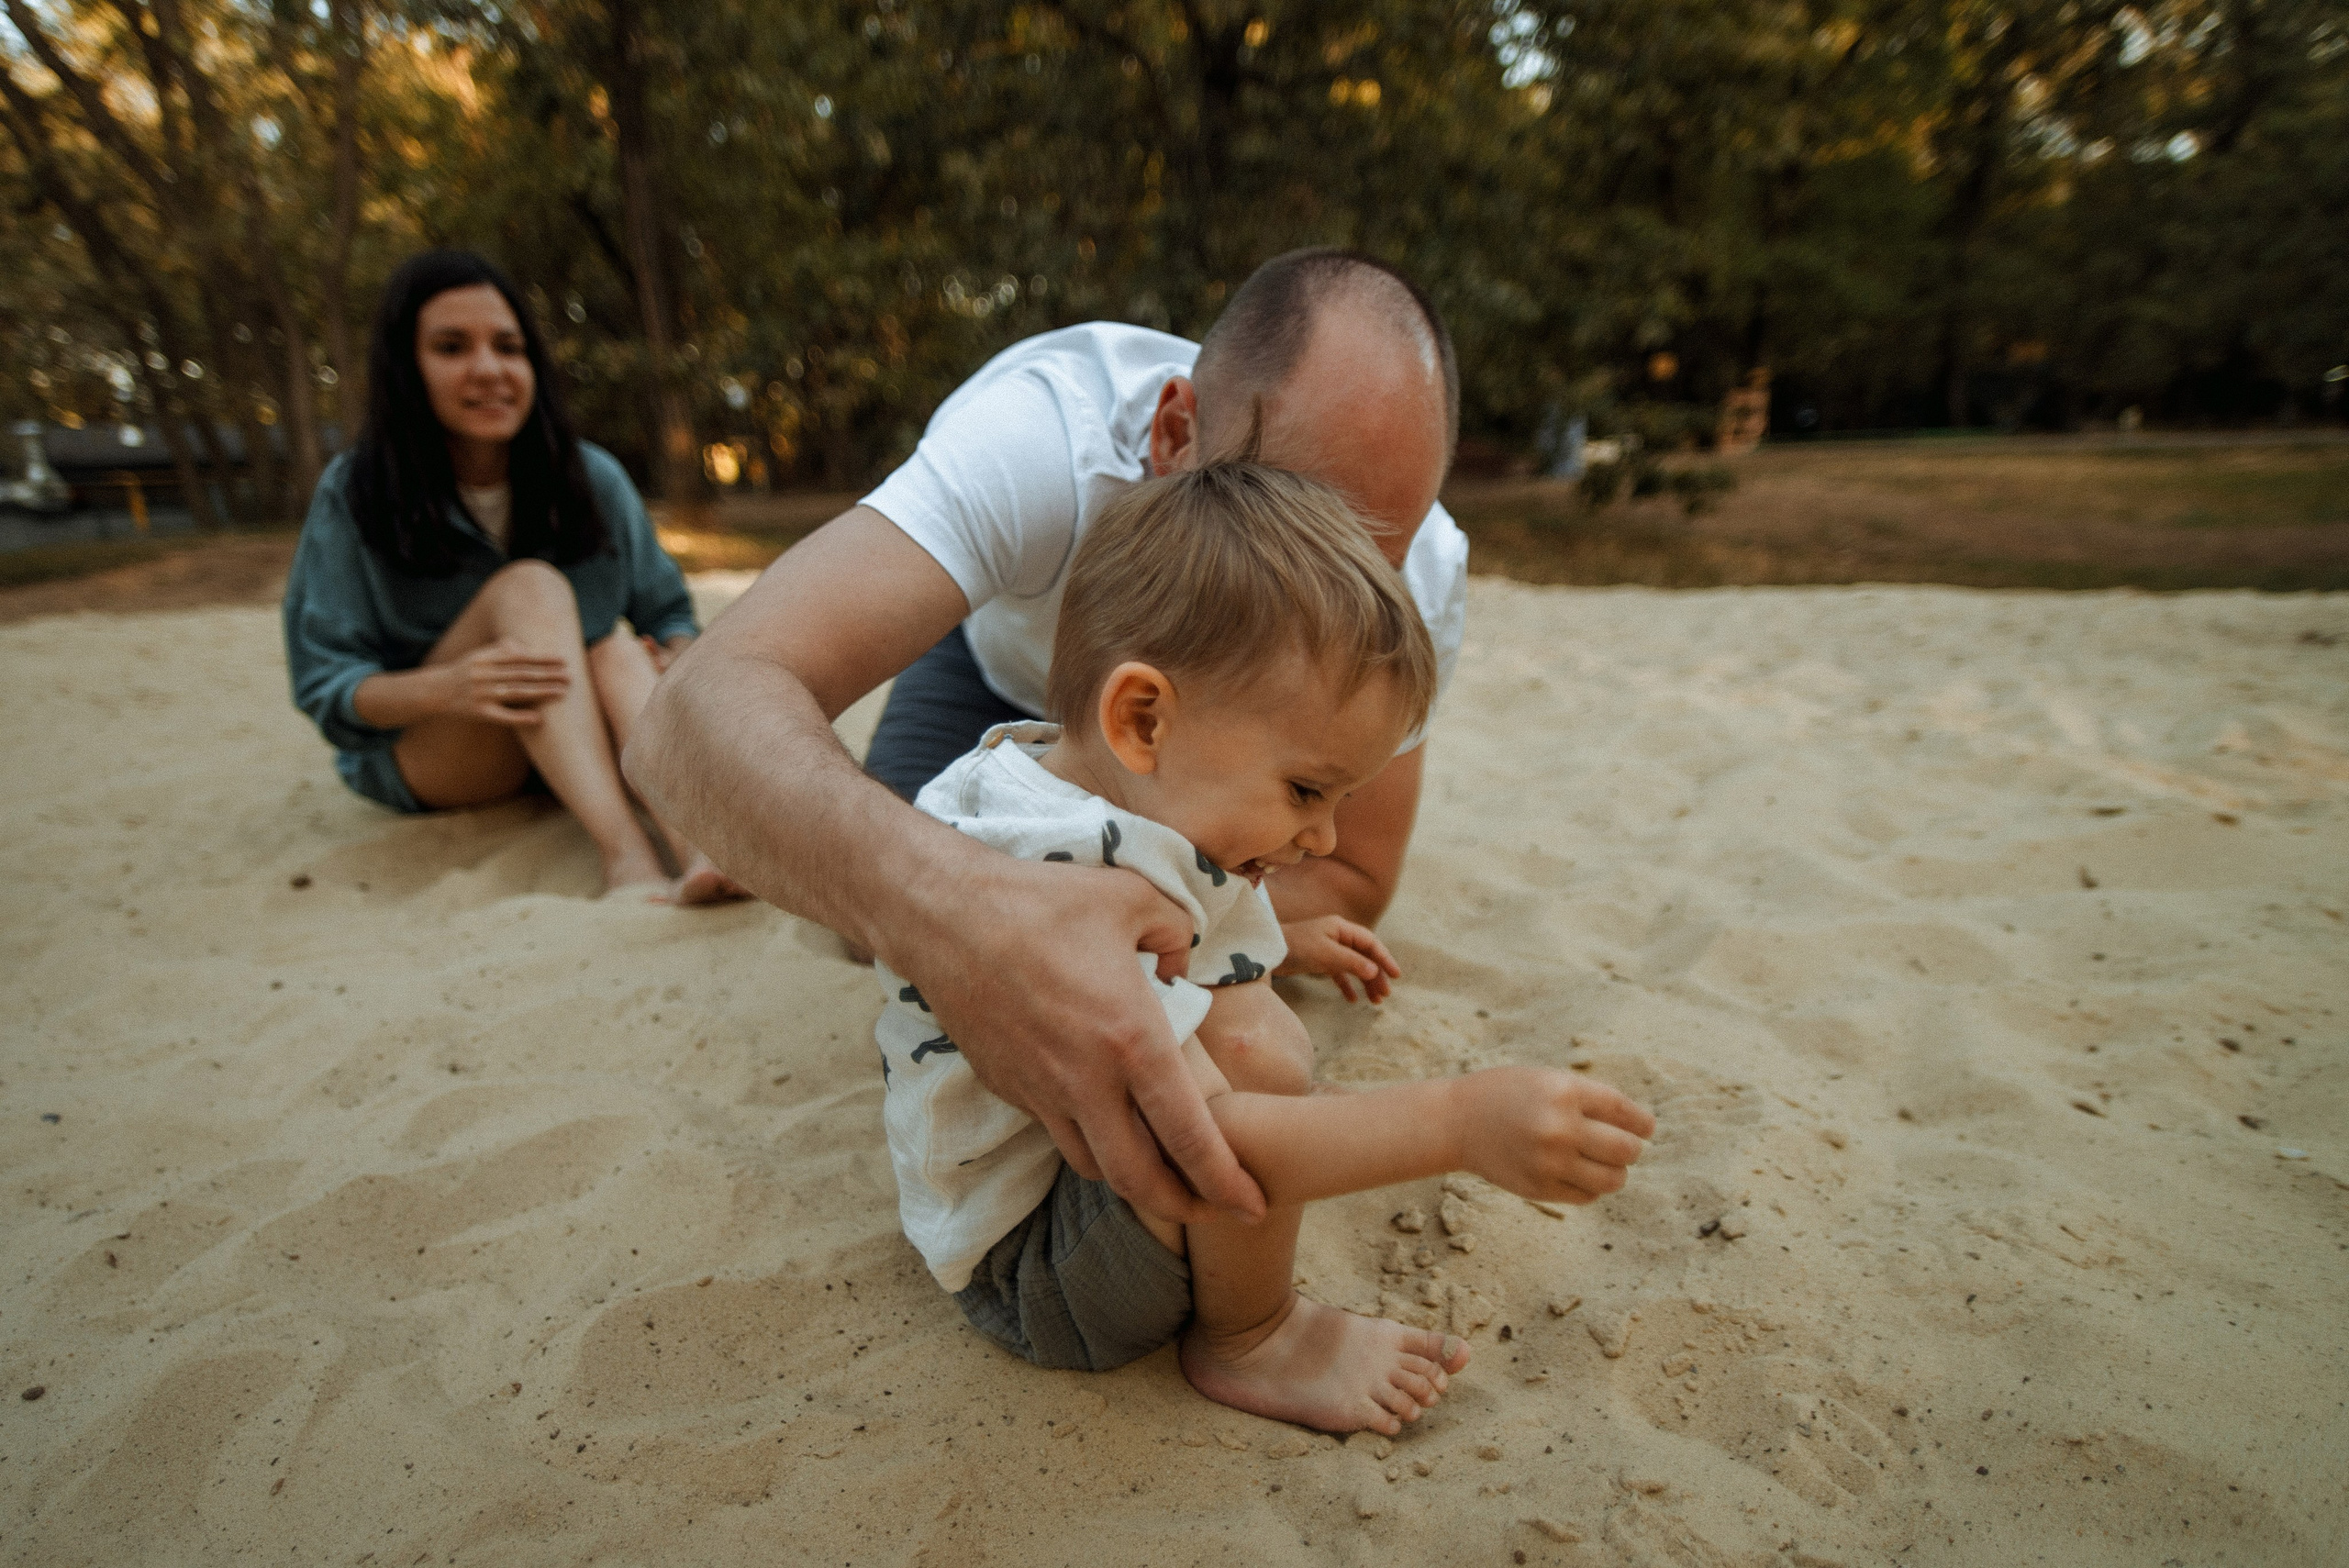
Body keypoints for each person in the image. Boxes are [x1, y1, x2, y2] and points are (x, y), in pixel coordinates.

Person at [628, 250, 1465, 1228]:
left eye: (1379, 552)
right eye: (1288, 514)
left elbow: (1357, 875)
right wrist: (966, 916)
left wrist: (1159, 923)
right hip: (1000, 675)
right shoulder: (1041, 437)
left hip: (1219, 761)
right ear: (1172, 433)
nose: (1341, 583)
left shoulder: (1413, 570)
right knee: (877, 916)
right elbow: (686, 716)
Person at [874, 463, 1655, 1431]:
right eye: (1304, 791)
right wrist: (1460, 1121)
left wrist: (1273, 943)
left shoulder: (1043, 775)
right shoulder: (1057, 880)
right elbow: (1214, 1138)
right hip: (1038, 1278)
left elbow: (1160, 927)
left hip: (1033, 1194)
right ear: (1143, 718)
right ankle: (1253, 1334)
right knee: (1258, 1051)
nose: (1325, 840)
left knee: (1248, 1015)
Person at [283, 250, 741, 902]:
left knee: (614, 646)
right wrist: (448, 687)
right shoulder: (354, 493)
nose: (490, 369)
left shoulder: (592, 479)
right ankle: (627, 858)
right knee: (531, 588)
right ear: (407, 368)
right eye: (451, 347)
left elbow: (668, 613)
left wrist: (671, 656)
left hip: (578, 741)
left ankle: (700, 851)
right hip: (446, 750)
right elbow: (326, 686)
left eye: (508, 346)